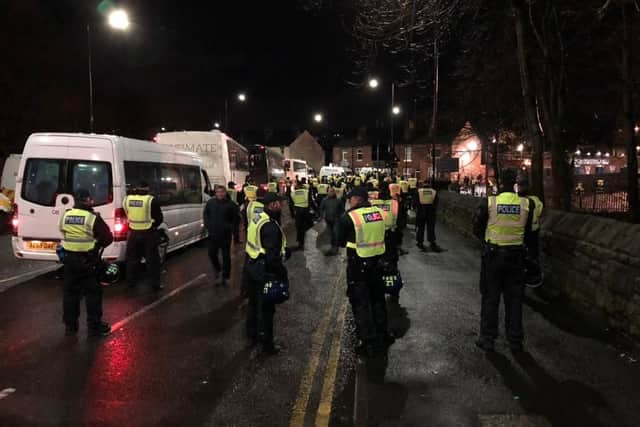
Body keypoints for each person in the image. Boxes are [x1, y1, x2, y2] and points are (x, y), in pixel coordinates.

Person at [472, 169, 534, 353]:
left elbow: (477, 227)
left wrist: (487, 241)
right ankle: (515, 340)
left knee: (491, 297)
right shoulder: (526, 204)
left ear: (499, 182)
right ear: (515, 182)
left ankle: (487, 338)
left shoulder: (490, 202)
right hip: (516, 257)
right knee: (514, 299)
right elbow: (529, 232)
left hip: (494, 255)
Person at [337, 187, 392, 356]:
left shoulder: (349, 217)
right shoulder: (380, 213)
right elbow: (388, 235)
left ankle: (367, 341)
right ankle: (383, 334)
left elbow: (339, 241)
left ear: (358, 199)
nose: (349, 202)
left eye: (351, 199)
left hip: (358, 265)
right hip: (377, 264)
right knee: (377, 299)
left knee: (360, 303)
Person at [59, 189, 113, 337]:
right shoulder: (92, 217)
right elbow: (107, 238)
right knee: (93, 293)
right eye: (90, 199)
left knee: (70, 294)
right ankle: (94, 326)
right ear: (87, 200)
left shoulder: (66, 215)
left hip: (69, 261)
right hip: (88, 261)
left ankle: (70, 326)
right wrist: (95, 244)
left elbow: (62, 231)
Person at [244, 192, 290, 354]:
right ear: (272, 205)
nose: (282, 206)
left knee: (253, 304)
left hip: (251, 266)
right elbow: (272, 258)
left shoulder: (258, 218)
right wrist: (282, 273)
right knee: (266, 309)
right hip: (264, 270)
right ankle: (267, 345)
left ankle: (252, 337)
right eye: (280, 203)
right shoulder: (270, 226)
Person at [123, 181, 164, 290]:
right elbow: (159, 218)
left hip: (133, 234)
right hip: (148, 234)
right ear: (147, 188)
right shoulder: (150, 200)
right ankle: (155, 284)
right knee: (152, 260)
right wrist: (153, 225)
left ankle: (130, 283)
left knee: (132, 260)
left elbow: (126, 213)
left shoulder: (127, 199)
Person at [203, 185, 240, 286]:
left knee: (226, 256)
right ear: (215, 193)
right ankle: (218, 269)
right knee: (212, 253)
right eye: (218, 192)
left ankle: (225, 275)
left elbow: (236, 218)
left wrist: (231, 228)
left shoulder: (231, 204)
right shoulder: (211, 203)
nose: (220, 194)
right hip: (213, 234)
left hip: (225, 235)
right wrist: (208, 226)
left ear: (225, 193)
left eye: (222, 192)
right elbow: (206, 214)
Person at [517, 175, 544, 287]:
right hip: (534, 231)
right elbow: (539, 213)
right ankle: (533, 275)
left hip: (522, 232)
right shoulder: (537, 201)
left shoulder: (519, 200)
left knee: (522, 255)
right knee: (532, 255)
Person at [414, 181, 444, 252]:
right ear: (429, 184)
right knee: (431, 228)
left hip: (421, 212)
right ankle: (432, 242)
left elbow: (415, 202)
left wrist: (418, 209)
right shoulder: (434, 192)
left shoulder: (419, 191)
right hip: (431, 212)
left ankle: (420, 242)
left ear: (423, 184)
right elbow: (436, 203)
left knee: (421, 228)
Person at [319, 186, 344, 255]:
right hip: (328, 220)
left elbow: (342, 210)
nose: (331, 192)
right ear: (327, 192)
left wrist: (342, 218)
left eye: (333, 191)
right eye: (330, 191)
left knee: (336, 234)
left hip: (336, 220)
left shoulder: (338, 200)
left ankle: (335, 248)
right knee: (331, 234)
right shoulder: (324, 200)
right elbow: (321, 209)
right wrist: (322, 217)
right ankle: (332, 246)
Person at [290, 178, 314, 249]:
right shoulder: (306, 191)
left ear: (297, 186)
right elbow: (310, 202)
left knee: (299, 228)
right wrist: (314, 209)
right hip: (306, 211)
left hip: (298, 213)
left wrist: (293, 212)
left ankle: (301, 243)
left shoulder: (293, 193)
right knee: (309, 225)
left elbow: (291, 204)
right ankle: (308, 241)